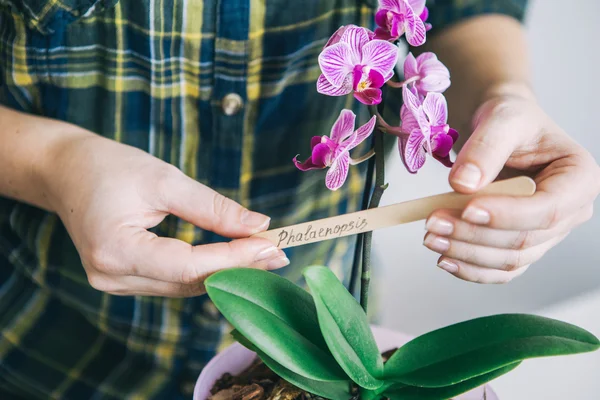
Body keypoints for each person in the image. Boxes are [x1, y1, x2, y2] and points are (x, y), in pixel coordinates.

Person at [0, 0, 598, 398]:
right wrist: (55, 162)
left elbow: (461, 10)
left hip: (325, 322)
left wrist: (502, 94)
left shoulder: (376, 104)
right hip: (48, 343)